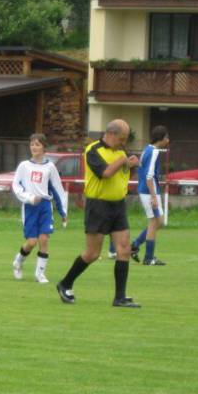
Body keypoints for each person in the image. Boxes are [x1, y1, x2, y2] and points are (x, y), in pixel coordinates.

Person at [55, 119, 141, 308]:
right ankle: (65, 283)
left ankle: (120, 297)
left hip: (118, 205)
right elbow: (106, 173)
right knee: (93, 253)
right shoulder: (93, 150)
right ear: (110, 134)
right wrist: (123, 161)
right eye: (122, 138)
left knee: (124, 249)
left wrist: (131, 165)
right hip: (98, 206)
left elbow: (122, 174)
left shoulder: (121, 153)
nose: (123, 143)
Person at [11, 133, 68, 285]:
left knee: (44, 239)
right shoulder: (24, 166)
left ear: (44, 147)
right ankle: (18, 261)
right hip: (30, 207)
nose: (34, 147)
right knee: (31, 242)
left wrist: (63, 211)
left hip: (45, 206)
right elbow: (16, 186)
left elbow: (57, 189)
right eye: (32, 144)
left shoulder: (50, 167)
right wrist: (29, 198)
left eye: (37, 144)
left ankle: (40, 274)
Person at [131, 125, 170, 266]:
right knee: (154, 223)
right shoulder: (154, 152)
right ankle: (148, 258)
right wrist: (153, 196)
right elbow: (149, 176)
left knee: (159, 222)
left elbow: (141, 168)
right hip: (149, 191)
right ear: (161, 138)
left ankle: (135, 245)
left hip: (147, 190)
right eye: (167, 137)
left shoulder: (147, 149)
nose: (168, 140)